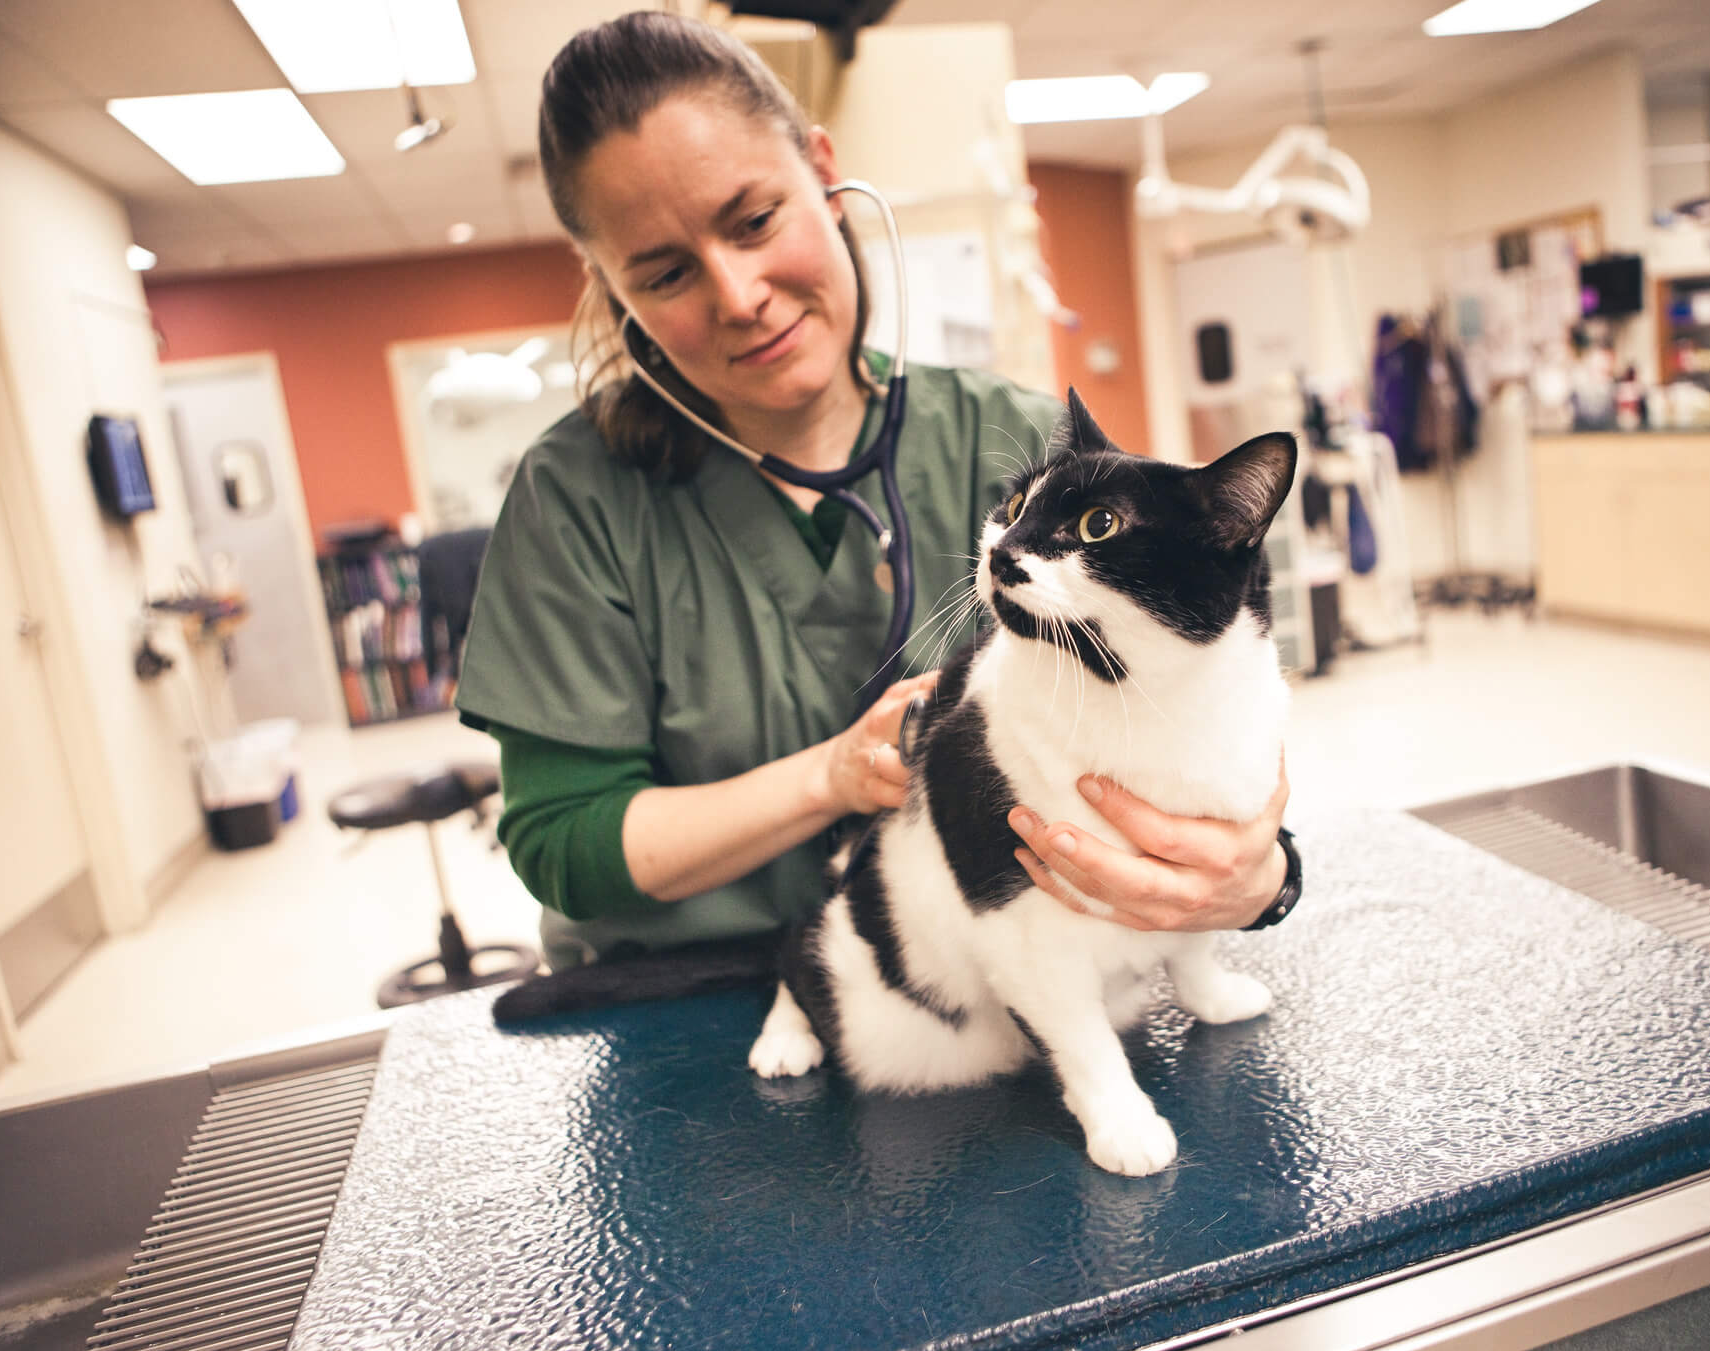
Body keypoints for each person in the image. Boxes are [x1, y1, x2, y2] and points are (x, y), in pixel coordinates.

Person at [456, 11, 1291, 970]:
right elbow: (566, 844)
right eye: (668, 272)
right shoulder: (577, 499)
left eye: (755, 220)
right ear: (615, 290)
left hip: (989, 979)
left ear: (823, 171)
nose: (737, 294)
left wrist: (1255, 877)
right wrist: (831, 777)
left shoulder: (1010, 445)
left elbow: (1184, 678)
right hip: (679, 1010)